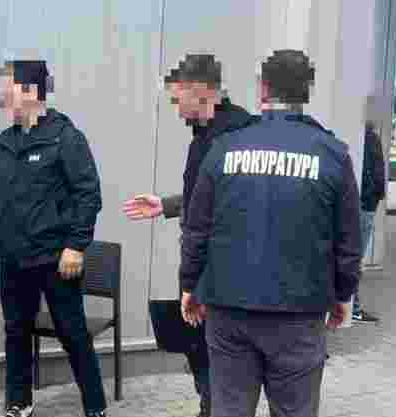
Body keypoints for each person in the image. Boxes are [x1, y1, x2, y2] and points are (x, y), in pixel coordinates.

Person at [179, 49, 361, 417]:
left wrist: (190, 285)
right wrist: (344, 294)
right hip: (299, 314)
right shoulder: (332, 154)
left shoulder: (224, 148)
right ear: (307, 91)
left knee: (229, 409)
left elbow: (198, 228)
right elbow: (348, 240)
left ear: (263, 88)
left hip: (229, 310)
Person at [121, 54, 254, 417]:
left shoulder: (234, 136)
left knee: (218, 361)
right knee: (202, 353)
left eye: (177, 99)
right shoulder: (209, 134)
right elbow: (207, 197)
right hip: (213, 271)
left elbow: (228, 211)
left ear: (199, 91)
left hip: (223, 275)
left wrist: (196, 283)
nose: (177, 109)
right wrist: (166, 205)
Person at [0, 59, 107, 417]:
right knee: (16, 332)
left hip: (56, 258)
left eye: (7, 87)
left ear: (31, 91)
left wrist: (76, 246)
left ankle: (95, 406)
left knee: (73, 333)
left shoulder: (65, 137)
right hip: (14, 258)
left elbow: (88, 194)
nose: (2, 95)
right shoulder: (3, 144)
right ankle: (19, 402)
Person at [352, 118, 386, 322]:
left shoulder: (356, 138)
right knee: (355, 258)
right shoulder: (370, 139)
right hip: (365, 205)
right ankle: (353, 308)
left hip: (360, 202)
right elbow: (377, 176)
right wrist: (373, 199)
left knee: (351, 257)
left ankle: (351, 306)